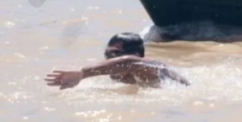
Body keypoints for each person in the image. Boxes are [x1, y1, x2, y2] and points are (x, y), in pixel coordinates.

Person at [44, 32, 190, 90]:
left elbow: (130, 62)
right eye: (107, 56)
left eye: (114, 55)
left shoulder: (151, 68)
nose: (109, 61)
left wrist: (82, 74)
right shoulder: (130, 79)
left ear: (136, 54)